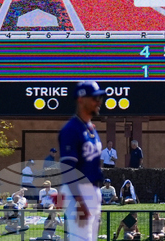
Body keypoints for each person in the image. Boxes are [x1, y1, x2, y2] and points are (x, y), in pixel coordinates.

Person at [59, 81, 106, 241]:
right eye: (94, 98)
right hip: (78, 193)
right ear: (81, 99)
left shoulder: (90, 128)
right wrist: (79, 200)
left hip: (92, 191)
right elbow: (67, 168)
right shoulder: (71, 129)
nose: (98, 101)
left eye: (99, 98)